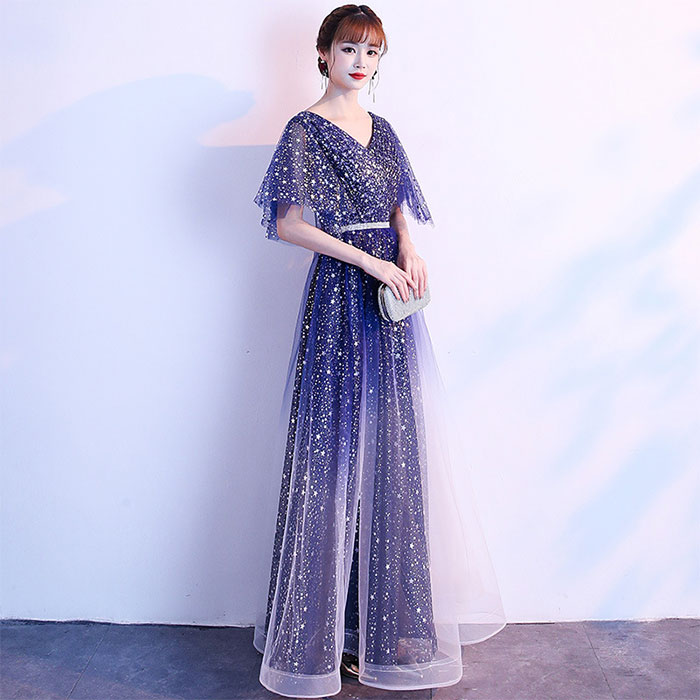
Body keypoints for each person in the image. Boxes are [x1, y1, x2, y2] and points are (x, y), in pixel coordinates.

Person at [251, 5, 506, 698]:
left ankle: (386, 630)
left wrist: (409, 247)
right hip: (341, 296)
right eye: (349, 49)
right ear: (324, 54)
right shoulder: (304, 130)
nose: (360, 62)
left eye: (371, 51)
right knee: (331, 454)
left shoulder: (384, 129)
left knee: (393, 450)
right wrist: (367, 261)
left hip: (391, 301)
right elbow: (288, 224)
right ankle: (318, 634)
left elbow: (397, 205)